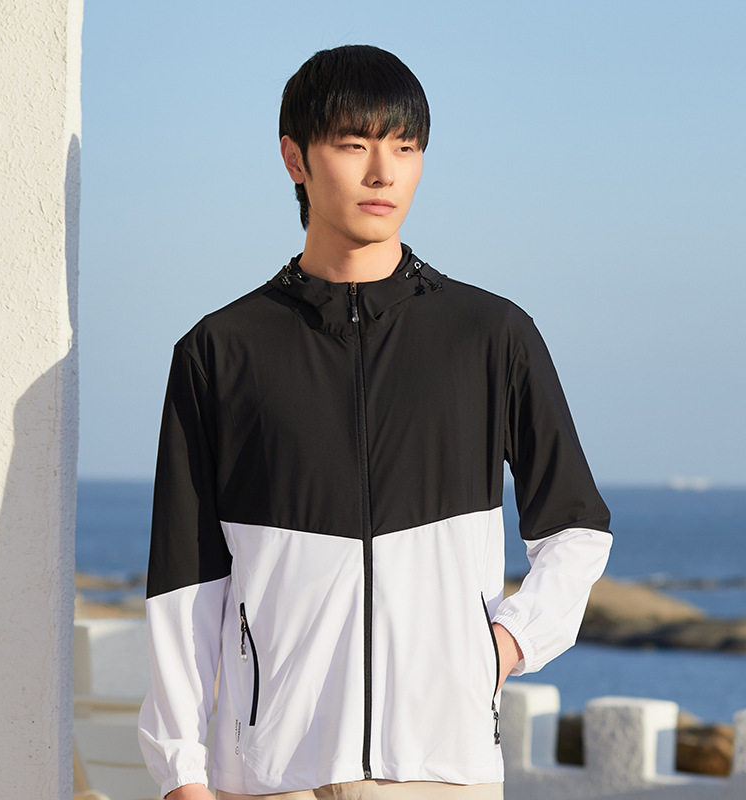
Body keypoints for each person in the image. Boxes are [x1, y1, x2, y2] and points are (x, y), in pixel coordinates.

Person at [138, 44, 612, 800]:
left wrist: (504, 644)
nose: (383, 172)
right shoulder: (221, 351)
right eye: (354, 145)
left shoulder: (490, 335)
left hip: (440, 770)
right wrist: (180, 776)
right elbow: (184, 581)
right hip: (270, 775)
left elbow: (576, 526)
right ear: (295, 158)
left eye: (406, 146)